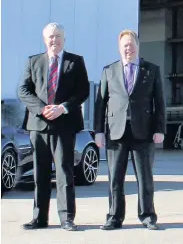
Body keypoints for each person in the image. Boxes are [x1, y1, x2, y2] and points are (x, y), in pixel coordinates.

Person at [17, 22, 90, 231]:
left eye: (58, 36)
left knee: (64, 172)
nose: (54, 40)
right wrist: (42, 109)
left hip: (65, 125)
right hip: (39, 126)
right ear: (44, 39)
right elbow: (23, 90)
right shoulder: (33, 61)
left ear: (64, 39)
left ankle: (67, 218)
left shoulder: (75, 62)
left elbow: (83, 91)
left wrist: (63, 108)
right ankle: (39, 218)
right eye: (50, 36)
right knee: (39, 173)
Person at [94, 29, 165, 231]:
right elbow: (101, 103)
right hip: (116, 133)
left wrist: (159, 129)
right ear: (120, 48)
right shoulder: (109, 71)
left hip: (143, 132)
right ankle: (114, 217)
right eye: (125, 45)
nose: (128, 49)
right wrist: (98, 131)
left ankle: (148, 216)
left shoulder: (151, 70)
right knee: (115, 178)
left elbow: (159, 102)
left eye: (131, 45)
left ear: (137, 46)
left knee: (145, 178)